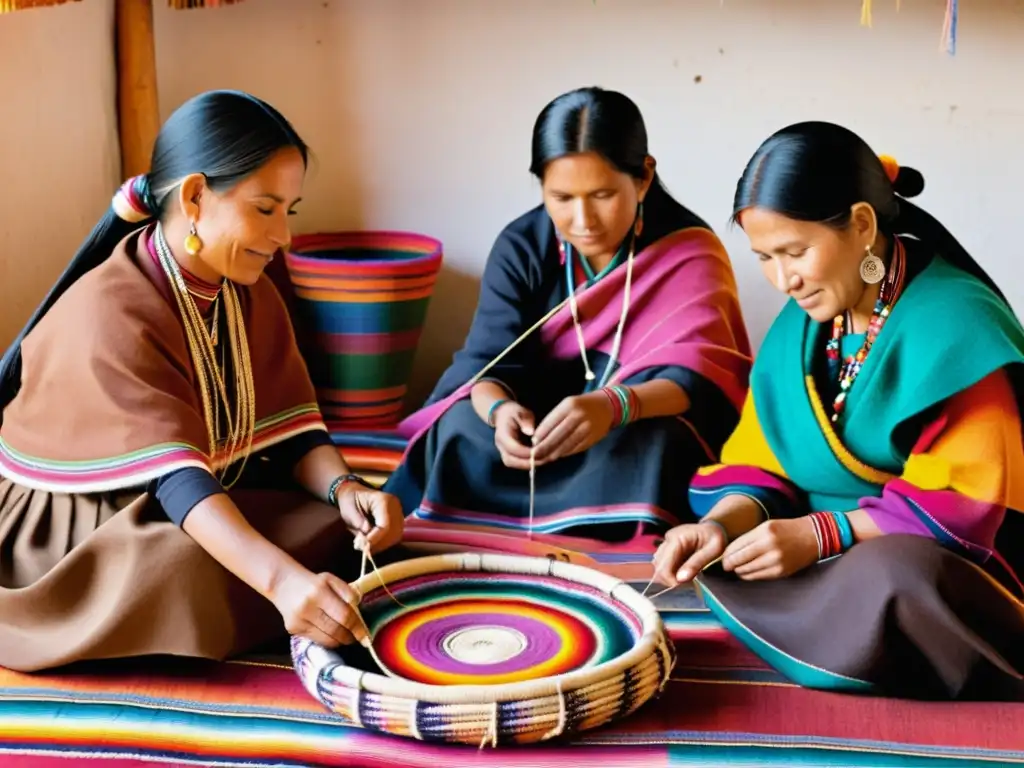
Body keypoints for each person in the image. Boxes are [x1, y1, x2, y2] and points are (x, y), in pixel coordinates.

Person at [0, 90, 404, 672]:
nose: (284, 237)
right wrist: (283, 582)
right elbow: (175, 480)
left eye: (288, 211)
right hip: (89, 514)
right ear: (194, 197)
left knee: (337, 531)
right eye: (265, 209)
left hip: (198, 487)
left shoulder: (247, 289)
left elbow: (289, 432)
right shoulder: (108, 310)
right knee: (183, 571)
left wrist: (348, 491)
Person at [653, 121, 1024, 701]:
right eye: (765, 258)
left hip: (941, 557)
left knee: (895, 577)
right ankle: (841, 631)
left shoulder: (957, 324)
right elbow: (760, 460)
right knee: (725, 561)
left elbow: (963, 507)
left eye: (796, 252)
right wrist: (719, 527)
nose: (782, 280)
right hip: (823, 548)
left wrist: (819, 535)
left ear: (861, 224)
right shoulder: (802, 329)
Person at [386, 87, 752, 544]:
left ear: (643, 178)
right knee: (460, 425)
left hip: (625, 427)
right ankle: (484, 531)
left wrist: (613, 406)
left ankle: (609, 545)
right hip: (535, 432)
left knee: (663, 444)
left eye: (602, 194)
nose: (583, 220)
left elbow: (702, 378)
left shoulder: (689, 251)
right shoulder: (522, 246)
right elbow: (487, 365)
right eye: (561, 197)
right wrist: (501, 413)